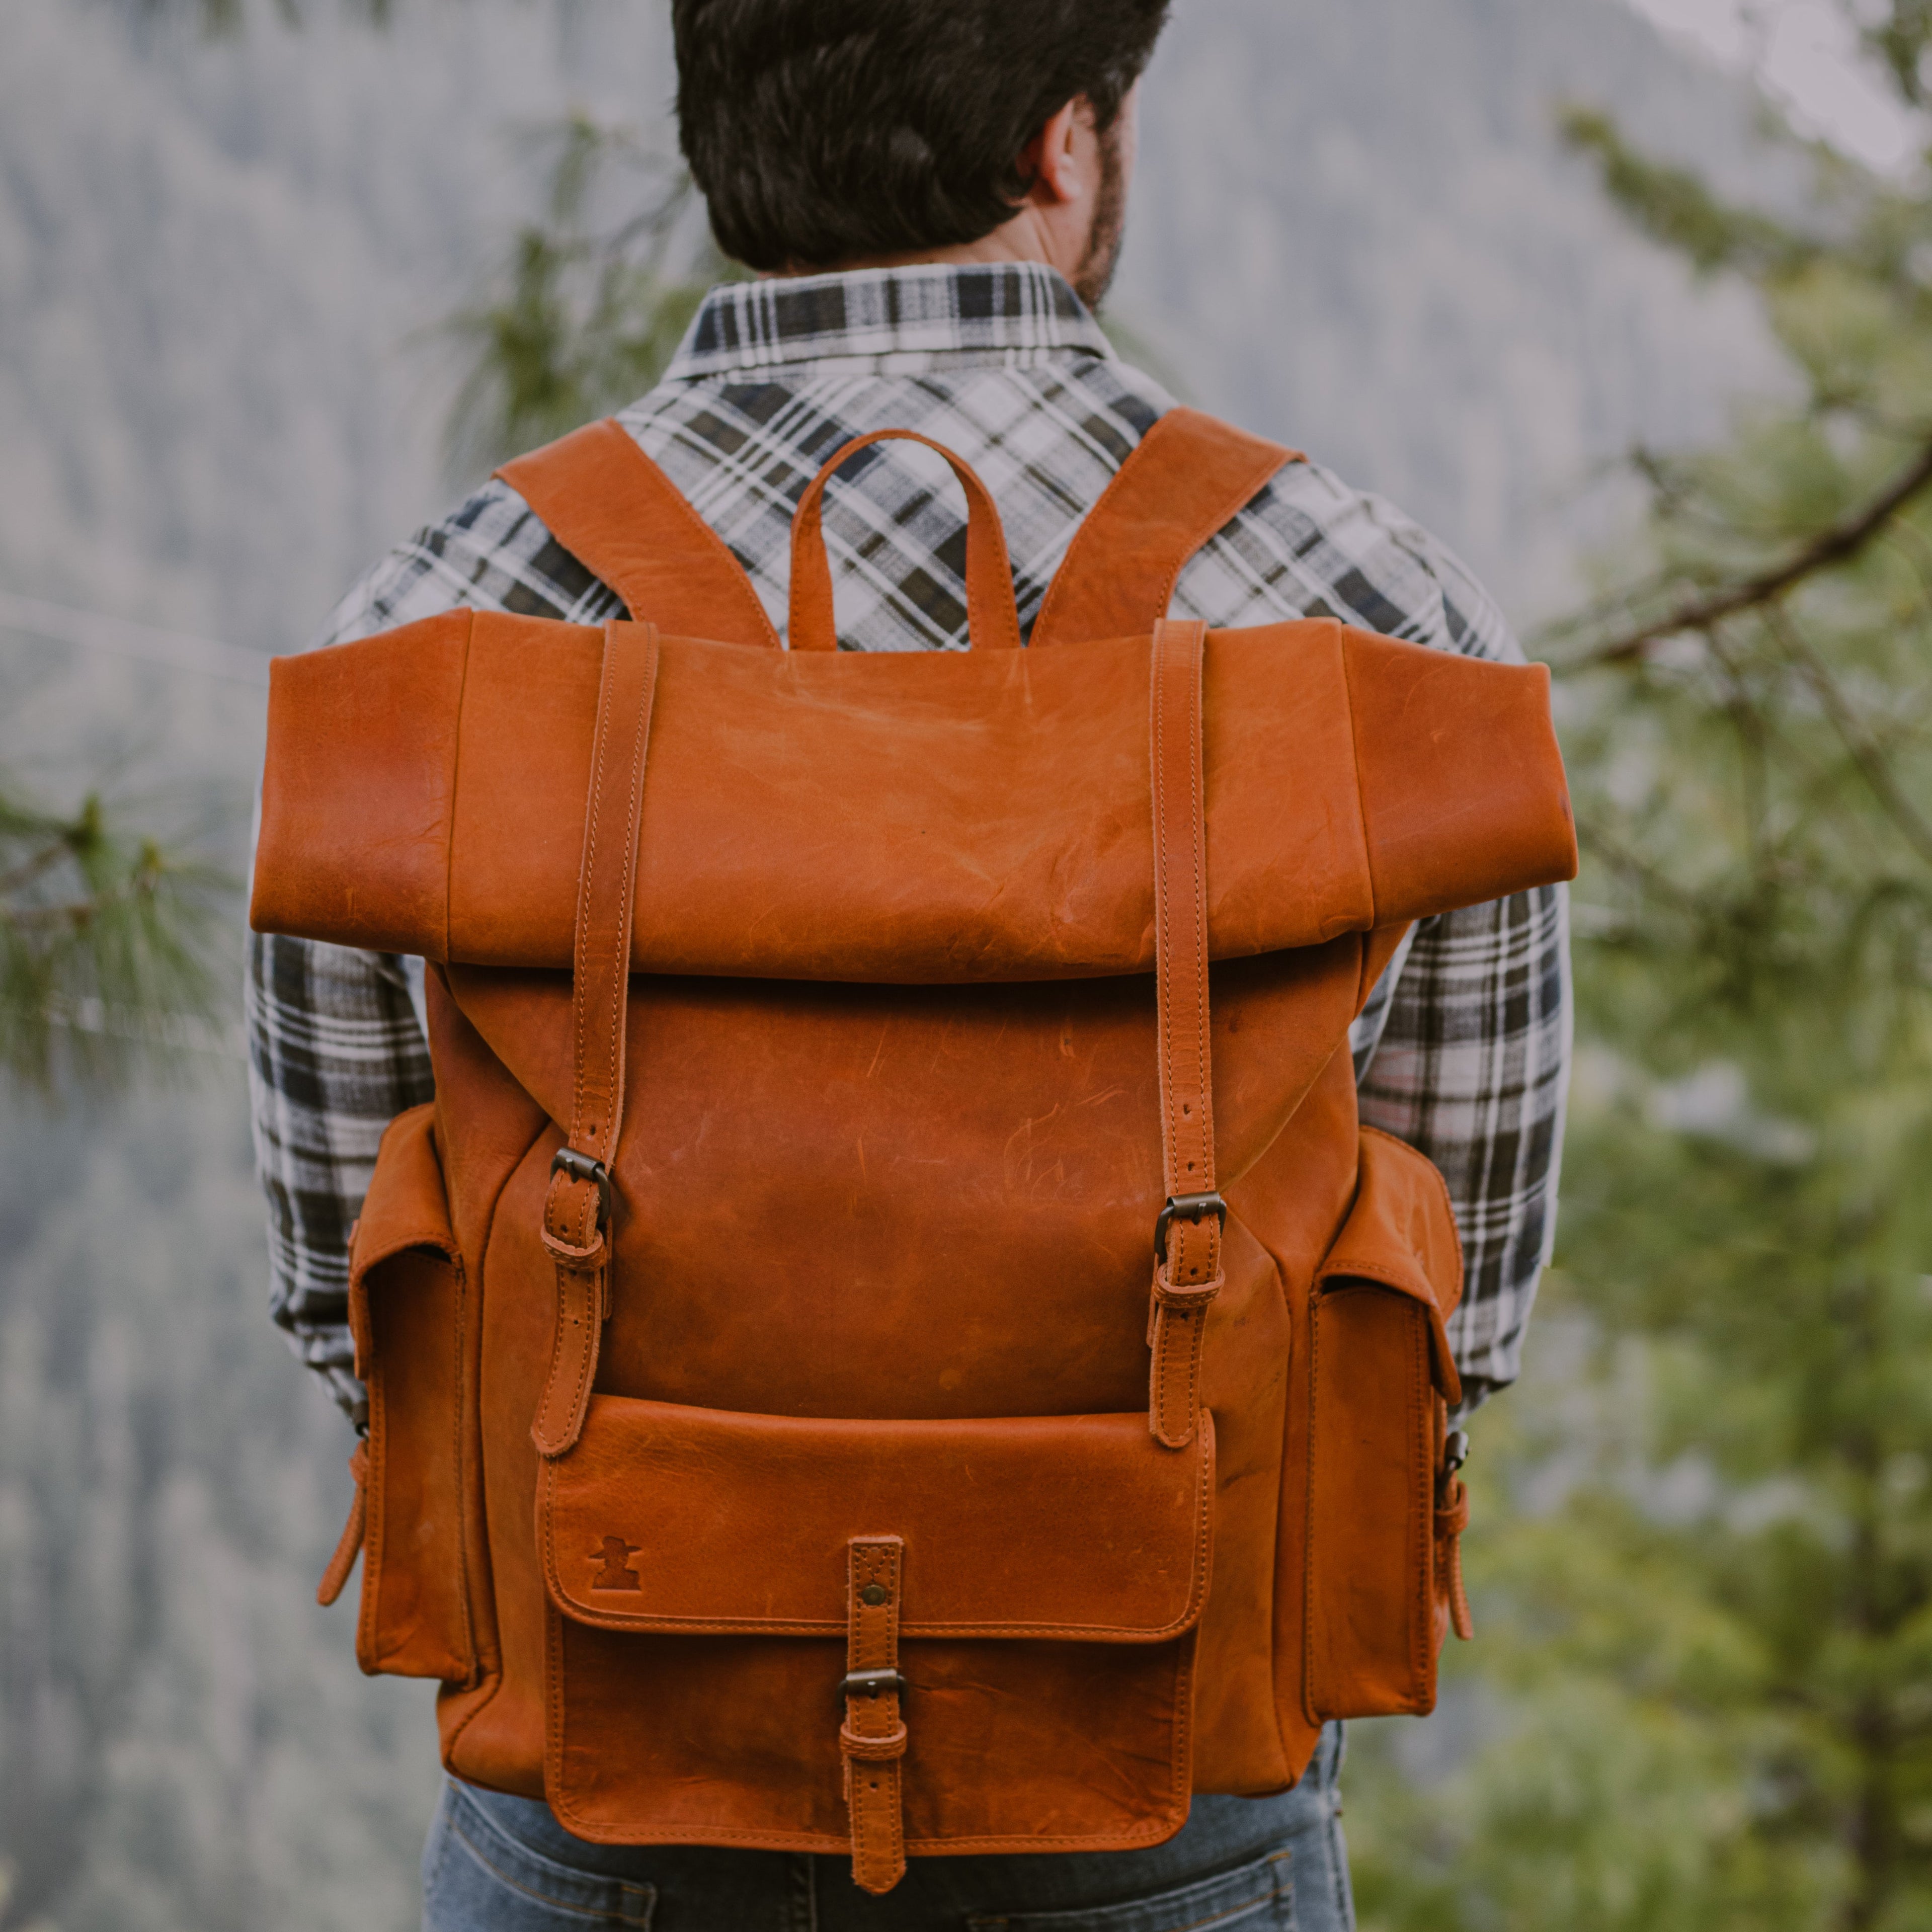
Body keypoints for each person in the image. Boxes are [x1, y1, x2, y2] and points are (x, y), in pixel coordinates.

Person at [246, 3, 1571, 1925]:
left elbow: (340, 1284)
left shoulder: (440, 619)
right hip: (1171, 1777)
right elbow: (1462, 1303)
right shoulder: (1376, 614)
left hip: (611, 1760)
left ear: (725, 141)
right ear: (1067, 145)